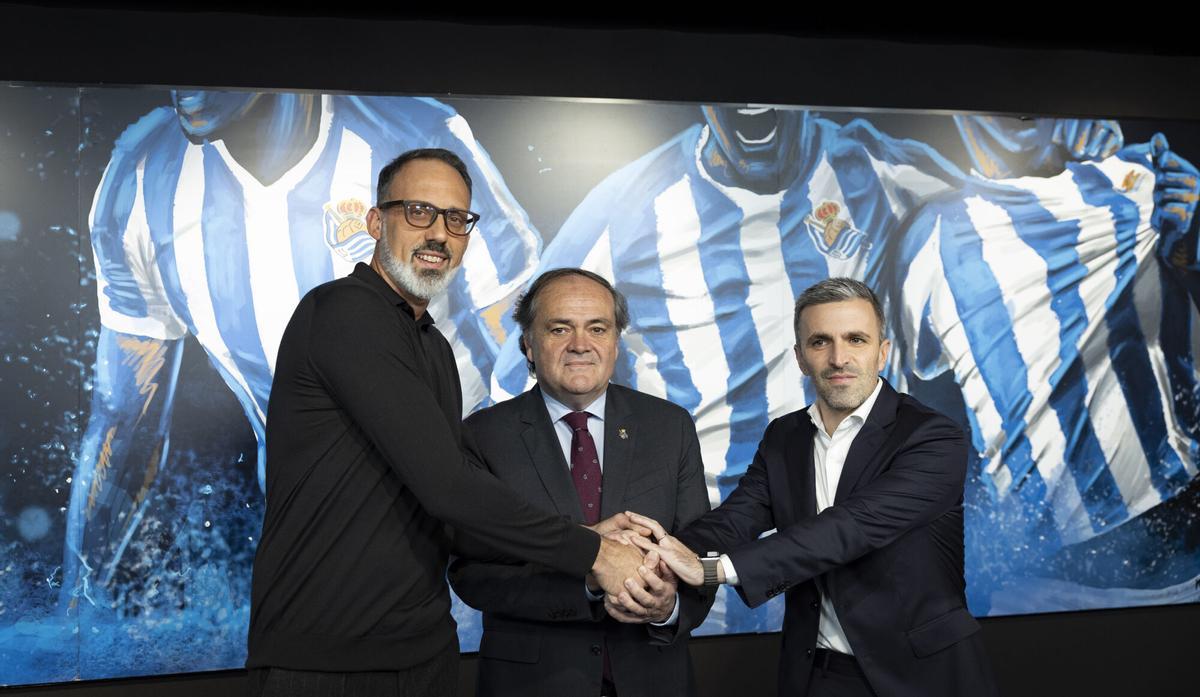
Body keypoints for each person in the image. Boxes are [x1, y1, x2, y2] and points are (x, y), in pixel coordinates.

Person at [64, 90, 539, 611]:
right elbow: (123, 420)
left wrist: (561, 539)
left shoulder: (417, 139)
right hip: (313, 541)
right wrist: (76, 611)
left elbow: (524, 358)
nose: (189, 82)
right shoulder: (139, 178)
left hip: (464, 530)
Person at [245, 150, 646, 696]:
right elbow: (448, 486)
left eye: (456, 219)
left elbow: (456, 512)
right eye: (418, 212)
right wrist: (593, 553)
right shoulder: (343, 312)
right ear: (374, 223)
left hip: (423, 651)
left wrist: (578, 537)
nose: (439, 233)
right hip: (325, 660)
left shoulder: (431, 343)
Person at [621, 278, 998, 697]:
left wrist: (712, 570)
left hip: (922, 675)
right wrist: (658, 556)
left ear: (883, 352)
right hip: (816, 674)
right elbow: (736, 519)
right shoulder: (785, 437)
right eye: (820, 342)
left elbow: (848, 528)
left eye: (856, 339)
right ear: (801, 358)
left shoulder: (933, 437)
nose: (839, 357)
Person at [449, 268, 713, 697]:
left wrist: (670, 606)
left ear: (614, 342)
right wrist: (590, 572)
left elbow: (700, 547)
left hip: (654, 676)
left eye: (597, 328)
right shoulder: (482, 436)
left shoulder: (670, 427)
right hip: (534, 683)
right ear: (528, 346)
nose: (580, 345)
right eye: (559, 329)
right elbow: (472, 575)